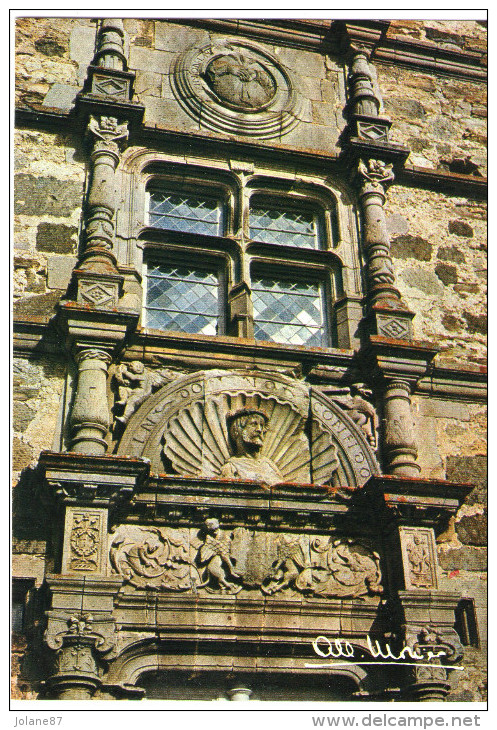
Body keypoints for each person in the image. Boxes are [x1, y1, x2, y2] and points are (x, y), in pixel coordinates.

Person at [220, 408, 283, 486]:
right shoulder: (231, 468)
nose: (259, 430)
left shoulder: (271, 466)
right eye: (253, 424)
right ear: (237, 430)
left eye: (261, 426)